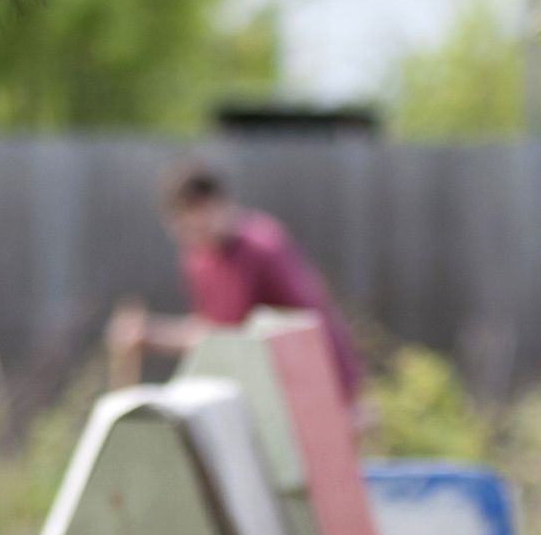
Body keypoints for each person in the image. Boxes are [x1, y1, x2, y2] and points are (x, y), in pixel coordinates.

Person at [106, 157, 363, 401]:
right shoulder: (198, 258)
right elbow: (210, 327)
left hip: (315, 383)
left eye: (199, 219)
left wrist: (150, 335)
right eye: (184, 226)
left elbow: (225, 335)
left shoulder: (258, 247)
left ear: (221, 204)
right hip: (271, 389)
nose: (193, 232)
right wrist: (146, 334)